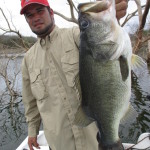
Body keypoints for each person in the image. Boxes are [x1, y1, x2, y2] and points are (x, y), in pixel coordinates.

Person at [20, 0, 128, 150]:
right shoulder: (27, 59)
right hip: (59, 143)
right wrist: (32, 132)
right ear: (27, 20)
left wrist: (114, 16)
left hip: (94, 141)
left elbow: (101, 39)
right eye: (29, 15)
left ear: (51, 13)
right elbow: (30, 101)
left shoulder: (75, 35)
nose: (35, 17)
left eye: (40, 11)